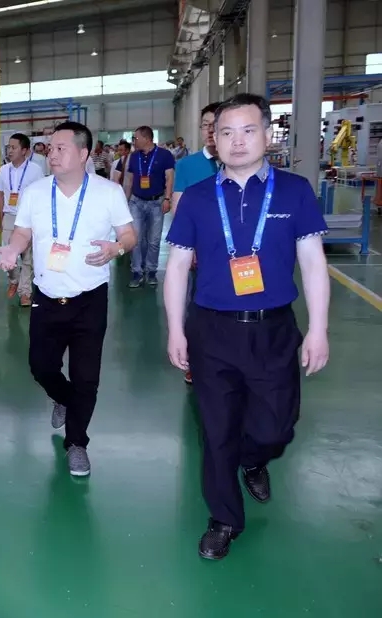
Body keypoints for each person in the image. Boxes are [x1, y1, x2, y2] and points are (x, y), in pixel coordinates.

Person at [163, 93, 330, 560]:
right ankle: (224, 519)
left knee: (276, 427)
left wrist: (318, 329)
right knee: (216, 431)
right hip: (211, 331)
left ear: (267, 135)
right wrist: (175, 329)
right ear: (213, 140)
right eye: (226, 132)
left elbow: (313, 263)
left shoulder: (294, 191)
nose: (237, 141)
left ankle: (255, 459)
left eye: (248, 130)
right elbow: (177, 267)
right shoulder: (197, 198)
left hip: (273, 330)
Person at [0, 121, 135, 477]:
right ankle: (62, 397)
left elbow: (128, 234)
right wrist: (12, 248)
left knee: (86, 378)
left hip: (90, 299)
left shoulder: (108, 192)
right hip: (46, 296)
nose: (52, 154)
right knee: (41, 367)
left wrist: (117, 248)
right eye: (50, 148)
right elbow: (22, 231)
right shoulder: (36, 192)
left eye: (60, 148)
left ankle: (76, 443)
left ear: (83, 153)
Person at [171, 101, 221, 385]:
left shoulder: (238, 162)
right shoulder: (187, 166)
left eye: (216, 125)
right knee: (199, 306)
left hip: (240, 253)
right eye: (206, 126)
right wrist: (187, 247)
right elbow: (179, 206)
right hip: (202, 251)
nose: (211, 131)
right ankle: (195, 359)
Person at [0, 133, 45, 306]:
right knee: (7, 254)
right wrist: (1, 216)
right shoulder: (3, 170)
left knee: (27, 257)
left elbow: (41, 195)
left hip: (29, 218)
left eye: (14, 147)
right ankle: (13, 280)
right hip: (9, 216)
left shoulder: (35, 170)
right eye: (9, 147)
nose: (10, 150)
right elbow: (0, 194)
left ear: (24, 150)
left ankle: (25, 292)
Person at [127, 126, 175, 288]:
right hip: (136, 202)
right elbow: (129, 180)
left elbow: (169, 178)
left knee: (154, 240)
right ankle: (136, 271)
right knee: (136, 239)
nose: (133, 141)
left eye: (135, 138)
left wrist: (167, 198)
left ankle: (151, 271)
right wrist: (125, 201)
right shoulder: (134, 156)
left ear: (146, 139)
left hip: (156, 202)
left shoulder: (165, 155)